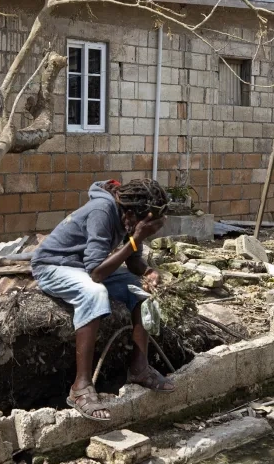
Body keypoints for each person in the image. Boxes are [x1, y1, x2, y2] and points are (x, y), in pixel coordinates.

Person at [31, 178, 175, 421]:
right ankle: (80, 387)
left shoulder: (128, 219)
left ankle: (139, 369)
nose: (143, 229)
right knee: (94, 292)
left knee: (142, 292)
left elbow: (132, 260)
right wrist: (135, 238)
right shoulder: (102, 210)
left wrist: (148, 272)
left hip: (82, 268)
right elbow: (97, 273)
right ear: (130, 213)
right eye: (144, 224)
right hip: (53, 267)